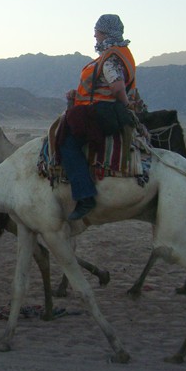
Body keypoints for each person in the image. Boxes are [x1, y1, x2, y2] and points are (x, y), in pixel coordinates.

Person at [60, 14, 137, 221]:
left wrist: (126, 103)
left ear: (106, 33)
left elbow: (117, 86)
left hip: (101, 114)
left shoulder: (110, 57)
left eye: (98, 31)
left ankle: (85, 197)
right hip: (99, 109)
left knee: (67, 146)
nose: (95, 35)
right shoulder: (113, 54)